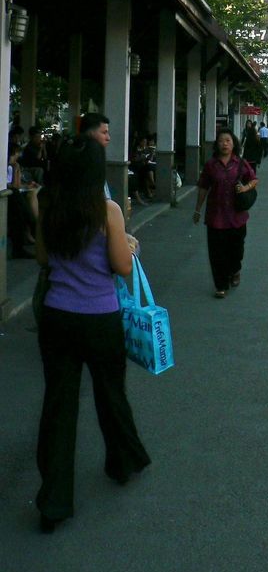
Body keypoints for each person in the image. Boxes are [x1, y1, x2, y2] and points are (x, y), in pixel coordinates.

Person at [34, 137, 150, 532]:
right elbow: (122, 267)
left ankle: (53, 503)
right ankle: (123, 462)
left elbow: (43, 257)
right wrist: (128, 244)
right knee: (110, 393)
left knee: (58, 406)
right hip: (100, 319)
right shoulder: (108, 210)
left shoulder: (48, 204)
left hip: (57, 317)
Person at [193, 128, 258, 298]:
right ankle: (220, 285)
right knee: (216, 252)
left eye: (228, 140)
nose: (225, 144)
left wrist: (245, 188)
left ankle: (235, 270)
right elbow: (203, 187)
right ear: (217, 144)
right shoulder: (211, 165)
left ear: (233, 143)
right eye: (221, 141)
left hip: (237, 216)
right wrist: (197, 209)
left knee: (236, 250)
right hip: (216, 216)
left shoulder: (240, 163)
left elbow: (254, 180)